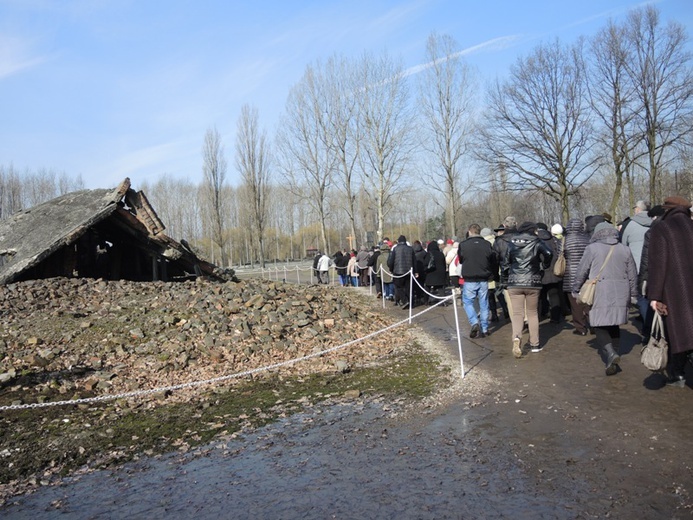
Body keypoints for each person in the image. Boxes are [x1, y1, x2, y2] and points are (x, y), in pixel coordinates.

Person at [572, 222, 637, 376]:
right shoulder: (625, 249)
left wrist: (576, 288)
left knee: (599, 324)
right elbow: (633, 275)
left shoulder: (592, 249)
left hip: (600, 291)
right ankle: (613, 354)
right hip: (621, 290)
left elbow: (582, 270)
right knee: (614, 323)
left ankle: (610, 353)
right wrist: (634, 294)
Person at [646, 196, 693, 387]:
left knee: (678, 333)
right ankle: (679, 372)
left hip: (675, 290)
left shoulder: (662, 228)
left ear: (667, 210)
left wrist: (655, 295)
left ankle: (678, 374)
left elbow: (658, 265)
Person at [501, 221, 552, 357]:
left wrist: (505, 280)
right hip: (532, 281)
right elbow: (549, 252)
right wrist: (543, 265)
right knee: (532, 313)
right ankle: (535, 344)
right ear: (532, 230)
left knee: (517, 314)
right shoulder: (536, 241)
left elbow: (505, 263)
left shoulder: (511, 242)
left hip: (514, 281)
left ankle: (517, 337)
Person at [458, 224, 497, 338]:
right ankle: (484, 328)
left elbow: (460, 260)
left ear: (469, 232)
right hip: (483, 278)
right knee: (484, 303)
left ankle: (474, 321)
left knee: (468, 302)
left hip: (469, 278)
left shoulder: (463, 245)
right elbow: (492, 260)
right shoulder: (487, 244)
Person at [620, 200, 652, 323]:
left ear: (638, 209)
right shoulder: (656, 222)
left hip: (637, 267)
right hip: (655, 266)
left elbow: (623, 245)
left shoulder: (630, 224)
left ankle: (648, 326)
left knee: (641, 297)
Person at [563, 218, 591, 336]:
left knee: (575, 303)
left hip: (571, 274)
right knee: (588, 300)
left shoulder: (565, 240)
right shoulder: (588, 239)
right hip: (586, 274)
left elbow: (561, 254)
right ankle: (594, 325)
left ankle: (580, 328)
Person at [537, 223, 563, 323]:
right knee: (554, 294)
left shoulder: (536, 241)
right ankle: (555, 317)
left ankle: (540, 315)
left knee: (540, 296)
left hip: (541, 272)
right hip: (553, 271)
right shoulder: (553, 240)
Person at [387, 235, 416, 309]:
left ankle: (405, 301)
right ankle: (410, 302)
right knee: (408, 288)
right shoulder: (410, 249)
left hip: (398, 271)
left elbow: (391, 261)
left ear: (399, 241)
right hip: (409, 271)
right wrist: (415, 271)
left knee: (398, 287)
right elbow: (414, 261)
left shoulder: (395, 249)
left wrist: (391, 269)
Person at [425, 239, 448, 305]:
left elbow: (426, 264)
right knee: (441, 289)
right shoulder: (441, 254)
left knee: (427, 288)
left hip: (430, 274)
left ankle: (426, 301)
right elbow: (444, 264)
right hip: (440, 275)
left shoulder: (428, 254)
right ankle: (443, 301)